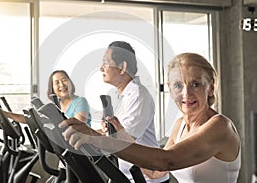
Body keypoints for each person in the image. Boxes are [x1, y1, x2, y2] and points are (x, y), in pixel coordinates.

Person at [60, 52, 241, 183]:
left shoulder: (220, 126)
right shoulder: (181, 126)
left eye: (195, 84)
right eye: (178, 85)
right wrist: (121, 136)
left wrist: (97, 139)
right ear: (170, 88)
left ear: (210, 86)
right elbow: (156, 172)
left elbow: (166, 161)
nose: (187, 94)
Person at [98, 41, 169, 183]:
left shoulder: (138, 96)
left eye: (106, 62)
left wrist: (91, 136)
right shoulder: (122, 95)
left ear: (122, 67)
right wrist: (107, 129)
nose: (101, 68)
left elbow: (125, 142)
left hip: (145, 179)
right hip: (127, 177)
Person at [5, 70, 92, 182]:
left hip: (83, 153)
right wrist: (7, 114)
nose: (62, 85)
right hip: (67, 156)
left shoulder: (80, 102)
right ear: (52, 88)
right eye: (57, 82)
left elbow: (79, 125)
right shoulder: (56, 107)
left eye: (64, 80)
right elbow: (30, 119)